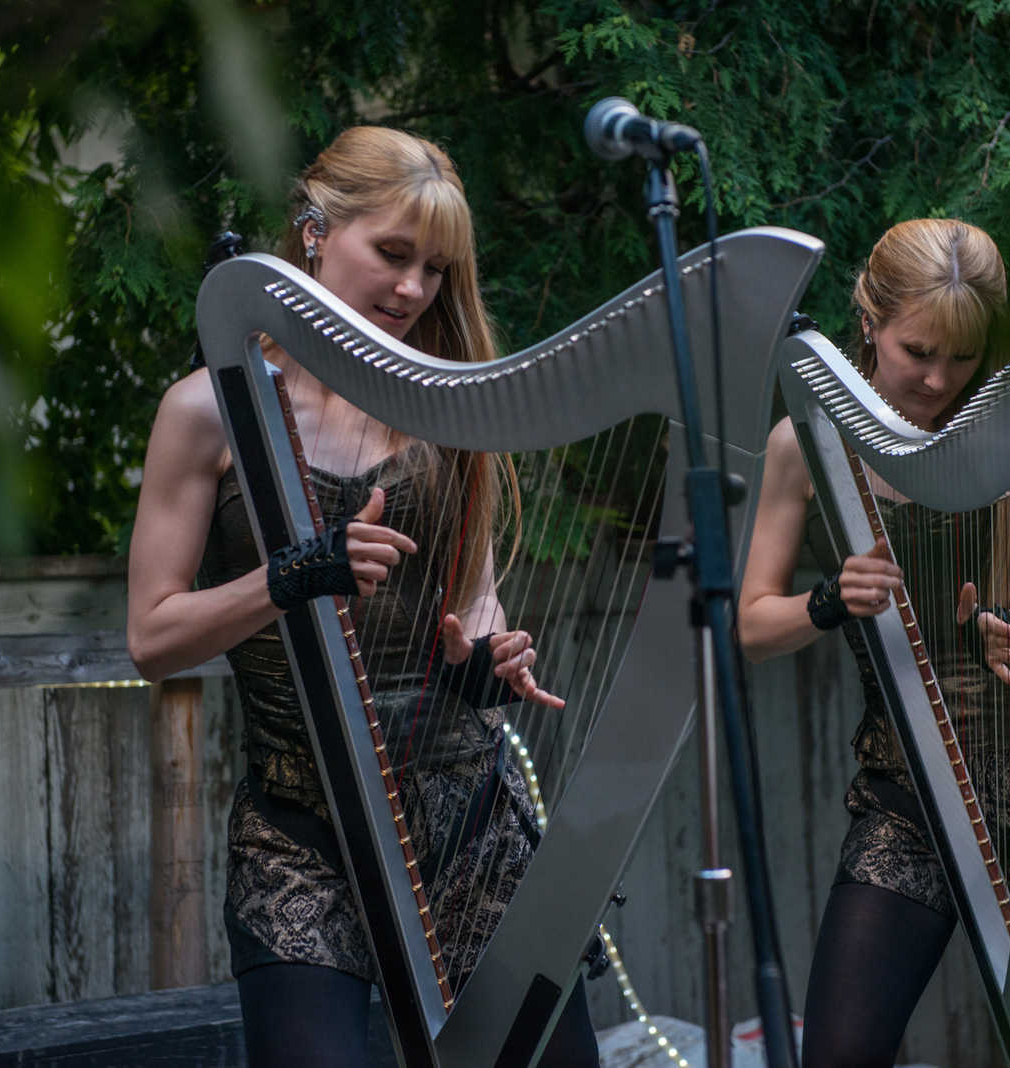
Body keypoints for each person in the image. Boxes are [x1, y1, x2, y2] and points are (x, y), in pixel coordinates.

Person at [127, 127, 598, 1068]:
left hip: (468, 823)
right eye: (391, 254)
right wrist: (291, 578)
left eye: (435, 269)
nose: (415, 290)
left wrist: (491, 661)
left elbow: (479, 604)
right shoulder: (204, 412)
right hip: (300, 836)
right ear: (313, 230)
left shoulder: (451, 411)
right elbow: (152, 638)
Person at [737, 219, 1010, 1067]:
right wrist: (829, 600)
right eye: (917, 351)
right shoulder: (806, 444)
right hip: (910, 799)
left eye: (962, 357)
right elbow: (751, 627)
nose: (936, 379)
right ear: (869, 320)